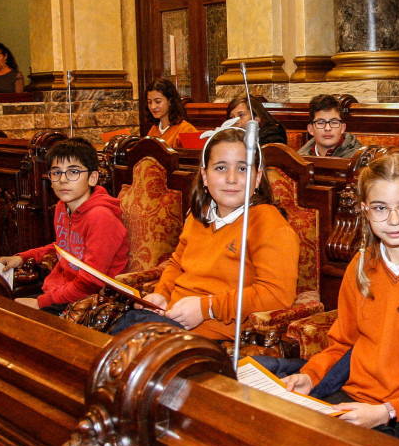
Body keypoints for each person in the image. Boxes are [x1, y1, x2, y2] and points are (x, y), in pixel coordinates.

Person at [281, 153, 399, 437]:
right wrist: (310, 376)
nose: (394, 220)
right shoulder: (360, 267)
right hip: (351, 397)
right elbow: (342, 344)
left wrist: (387, 412)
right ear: (365, 211)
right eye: (381, 208)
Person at [108, 125, 299, 342]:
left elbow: (276, 295)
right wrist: (161, 294)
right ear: (204, 176)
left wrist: (206, 308)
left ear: (257, 178)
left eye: (243, 168)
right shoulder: (199, 214)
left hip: (212, 337)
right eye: (220, 168)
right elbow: (176, 264)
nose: (231, 178)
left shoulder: (268, 223)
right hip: (170, 320)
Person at [0, 138, 129, 313]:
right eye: (56, 173)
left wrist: (41, 302)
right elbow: (65, 248)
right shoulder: (62, 206)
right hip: (62, 291)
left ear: (92, 178)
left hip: (93, 301)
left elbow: (92, 281)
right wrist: (24, 257)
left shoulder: (101, 217)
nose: (63, 180)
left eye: (73, 172)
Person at [299, 93, 362, 158]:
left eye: (334, 122)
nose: (328, 128)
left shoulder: (359, 159)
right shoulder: (299, 160)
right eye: (321, 123)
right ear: (311, 129)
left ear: (343, 128)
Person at [144, 78, 197, 148]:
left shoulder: (186, 130)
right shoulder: (154, 129)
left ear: (170, 101)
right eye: (149, 102)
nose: (153, 107)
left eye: (158, 102)